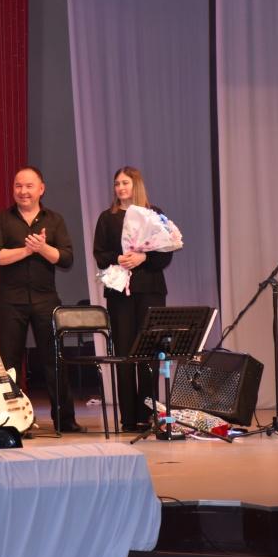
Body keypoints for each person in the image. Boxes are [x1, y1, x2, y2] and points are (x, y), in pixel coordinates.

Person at [0, 166, 84, 433]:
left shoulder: (55, 220)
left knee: (54, 360)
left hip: (46, 299)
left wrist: (42, 248)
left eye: (29, 186)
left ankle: (65, 420)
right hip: (11, 300)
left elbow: (66, 258)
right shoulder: (2, 220)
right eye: (18, 186)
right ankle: (11, 421)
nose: (23, 191)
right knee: (9, 363)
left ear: (41, 188)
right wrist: (27, 251)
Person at [93, 166, 173, 432]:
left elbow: (165, 255)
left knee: (150, 353)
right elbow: (100, 254)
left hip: (150, 291)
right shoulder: (107, 218)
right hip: (120, 294)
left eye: (125, 183)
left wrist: (143, 258)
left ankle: (148, 414)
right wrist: (118, 258)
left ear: (136, 184)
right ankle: (128, 418)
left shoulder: (154, 214)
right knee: (125, 353)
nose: (120, 187)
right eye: (117, 183)